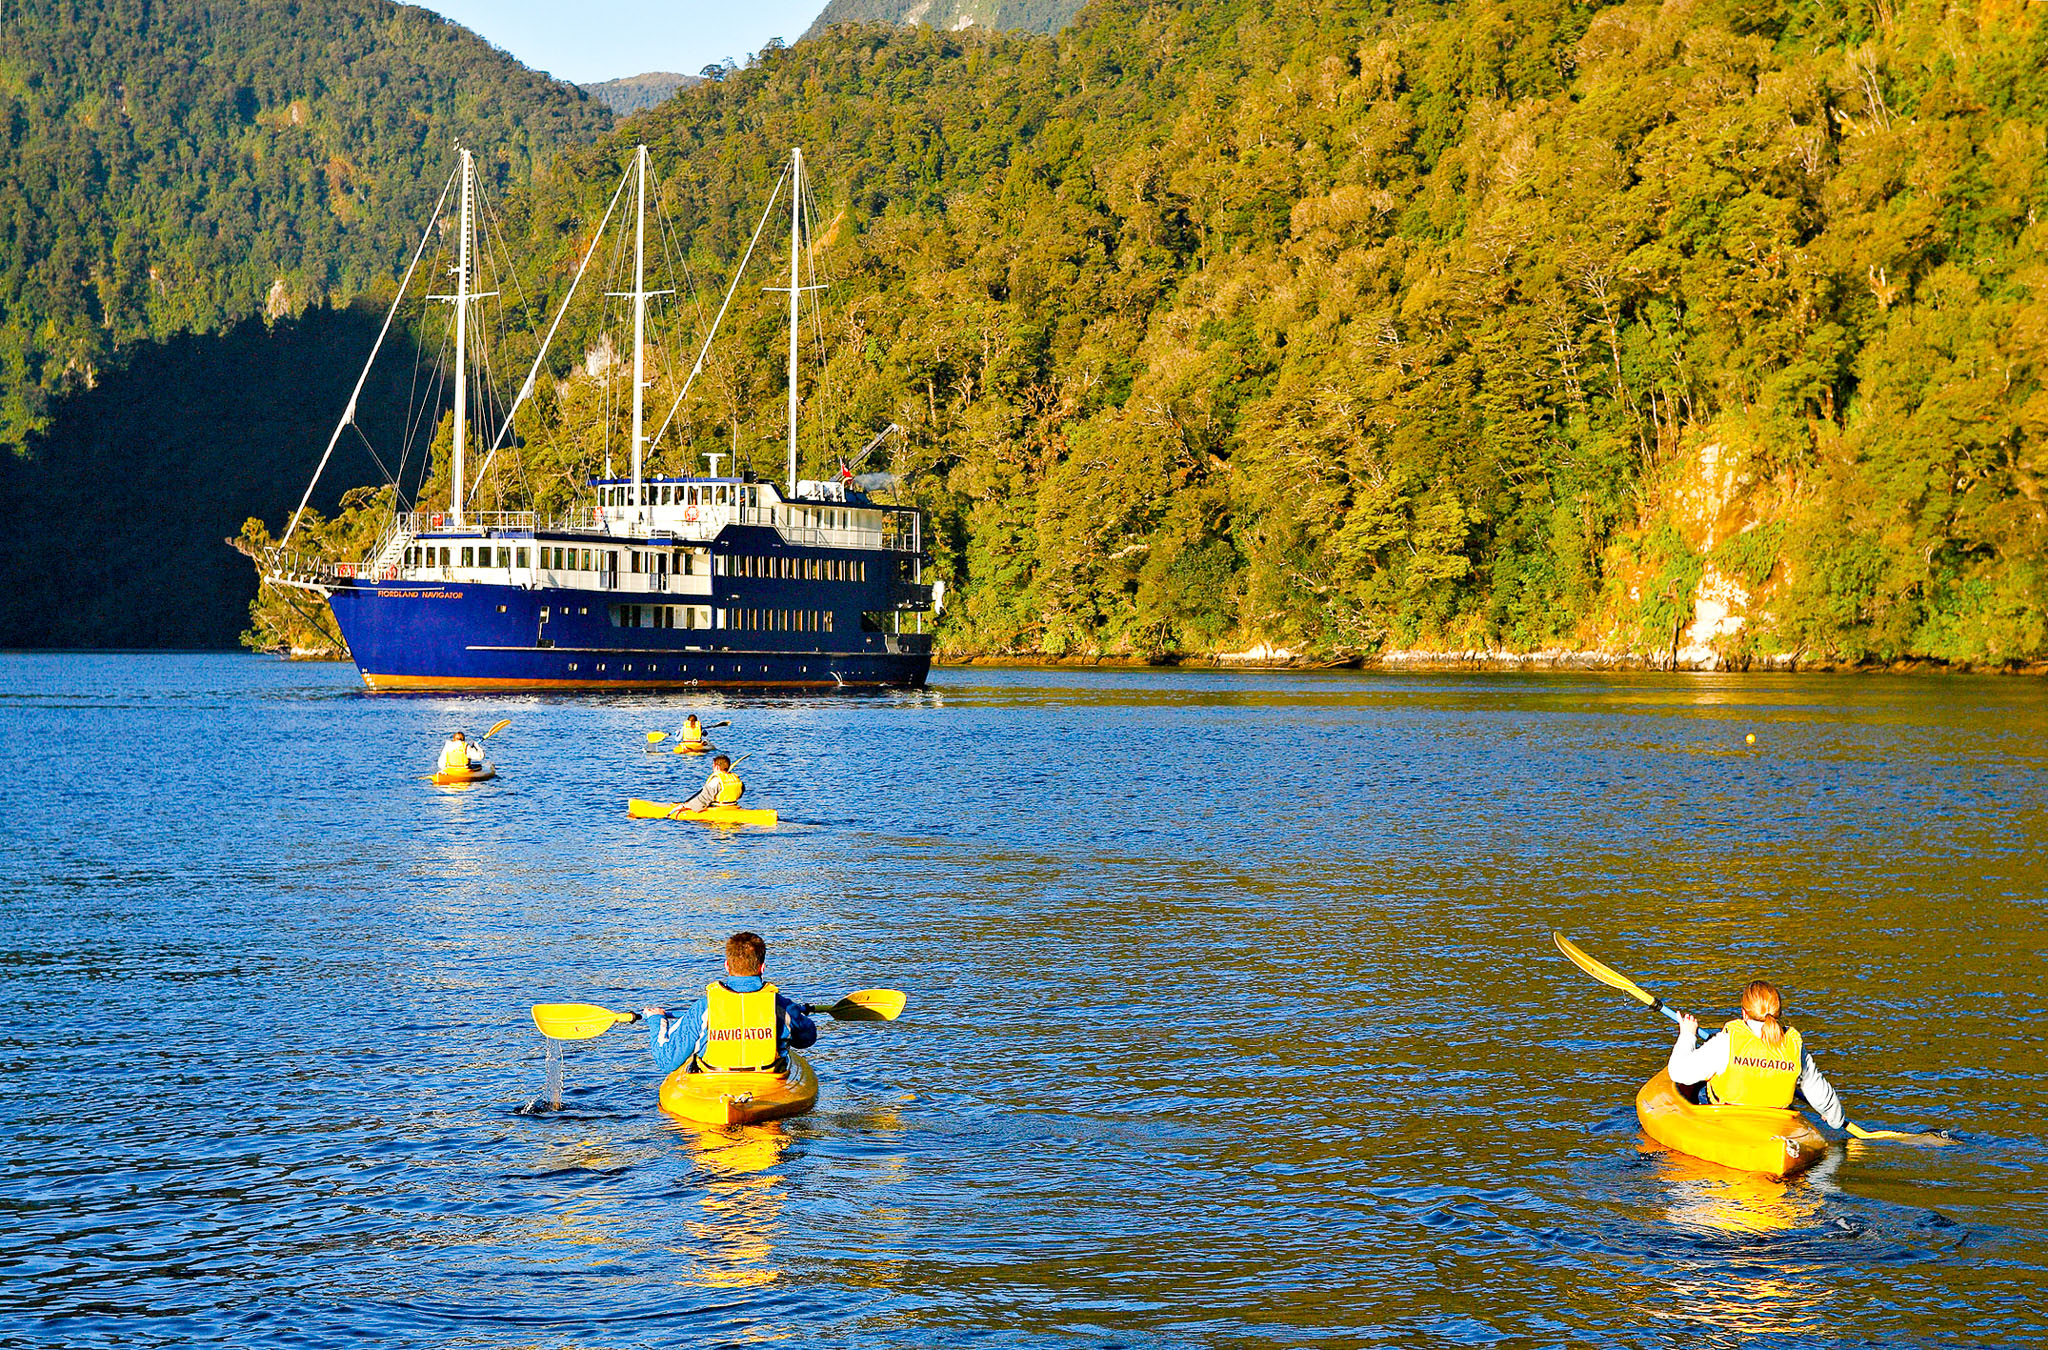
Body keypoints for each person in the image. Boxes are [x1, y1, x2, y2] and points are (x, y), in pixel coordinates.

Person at [1668, 980, 1845, 1128]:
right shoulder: (1794, 1047)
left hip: (1728, 1121)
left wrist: (1688, 1034)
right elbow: (1820, 1092)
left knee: (1699, 1082)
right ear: (1778, 1013)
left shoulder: (1725, 1042)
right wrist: (1834, 1118)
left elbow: (1678, 1072)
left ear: (1744, 1014)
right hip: (1776, 1123)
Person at [644, 931, 817, 1075]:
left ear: (727, 966)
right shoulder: (781, 1006)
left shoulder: (704, 1008)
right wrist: (794, 1014)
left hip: (715, 1081)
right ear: (762, 967)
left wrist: (657, 1020)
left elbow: (667, 1061)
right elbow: (807, 1039)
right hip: (767, 1080)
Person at [678, 753, 744, 811]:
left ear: (717, 767)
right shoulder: (736, 778)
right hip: (734, 806)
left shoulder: (716, 780)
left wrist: (688, 805)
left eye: (713, 766)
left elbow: (704, 799)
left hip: (719, 809)